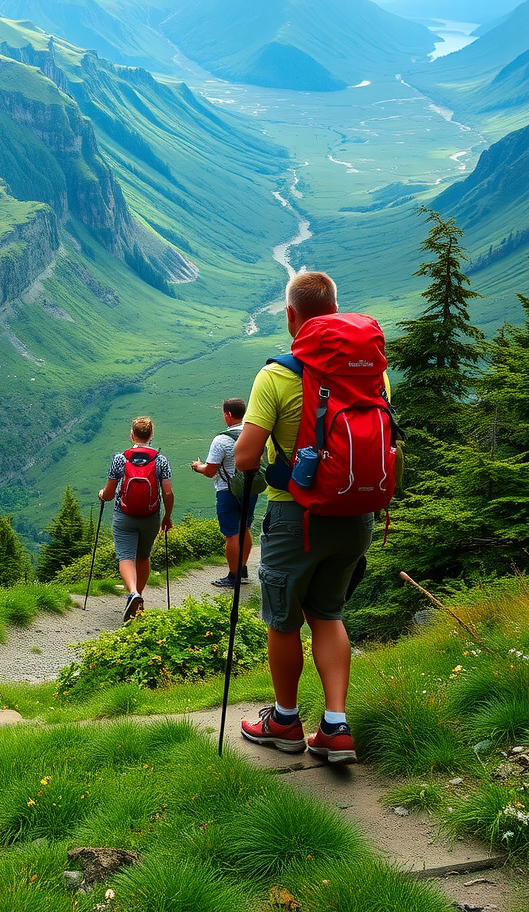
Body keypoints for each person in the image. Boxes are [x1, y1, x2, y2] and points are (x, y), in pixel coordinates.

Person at [232, 271, 374, 764]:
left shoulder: (276, 374)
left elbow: (246, 457)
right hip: (356, 514)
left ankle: (285, 722)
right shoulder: (370, 372)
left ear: (291, 317)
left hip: (296, 517)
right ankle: (336, 726)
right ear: (336, 310)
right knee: (329, 613)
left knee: (283, 619)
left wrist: (278, 462)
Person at [98, 416, 174, 622]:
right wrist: (167, 516)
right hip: (150, 516)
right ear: (151, 435)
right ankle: (138, 597)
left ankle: (133, 593)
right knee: (143, 556)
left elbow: (109, 493)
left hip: (124, 516)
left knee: (126, 557)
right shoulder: (161, 460)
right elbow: (167, 493)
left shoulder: (120, 459)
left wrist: (101, 495)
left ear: (132, 435)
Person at [191, 398, 259, 588]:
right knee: (245, 527)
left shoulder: (221, 439)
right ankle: (242, 567)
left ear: (228, 414)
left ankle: (233, 575)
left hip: (227, 491)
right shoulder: (253, 434)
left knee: (231, 534)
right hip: (250, 489)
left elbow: (210, 470)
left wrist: (197, 466)